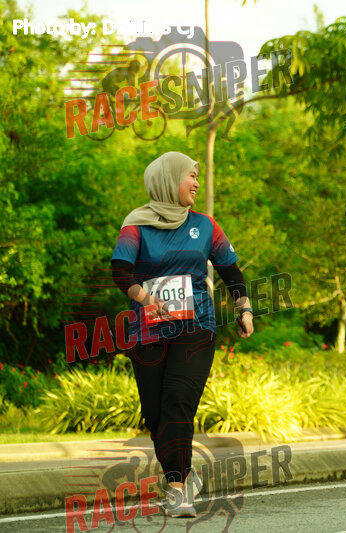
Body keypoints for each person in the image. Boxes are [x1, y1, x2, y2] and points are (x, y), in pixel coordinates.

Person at [110, 151, 254, 517]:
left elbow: (231, 271)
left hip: (196, 327)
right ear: (168, 180)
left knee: (177, 401)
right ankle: (185, 473)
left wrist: (244, 308)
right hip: (147, 330)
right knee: (155, 413)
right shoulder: (136, 225)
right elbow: (120, 271)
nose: (196, 183)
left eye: (197, 177)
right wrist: (146, 298)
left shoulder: (205, 225)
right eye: (190, 176)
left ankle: (176, 489)